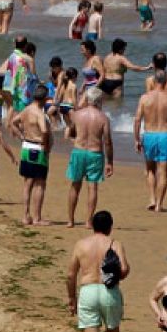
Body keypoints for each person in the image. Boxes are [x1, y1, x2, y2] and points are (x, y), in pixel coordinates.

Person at [66, 211, 128, 332]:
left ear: (93, 225)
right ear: (110, 226)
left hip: (88, 290)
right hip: (109, 291)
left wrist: (71, 298)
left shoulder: (81, 245)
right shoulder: (114, 243)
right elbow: (123, 269)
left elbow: (70, 275)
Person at [65, 85, 113, 227]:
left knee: (75, 185)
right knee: (92, 187)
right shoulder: (103, 118)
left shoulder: (77, 115)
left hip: (79, 151)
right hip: (95, 153)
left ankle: (70, 220)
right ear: (99, 101)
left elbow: (71, 132)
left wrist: (75, 139)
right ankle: (88, 221)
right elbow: (108, 142)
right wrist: (110, 162)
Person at [133, 70, 167, 212]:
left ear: (153, 82)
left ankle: (152, 199)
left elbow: (137, 120)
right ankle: (159, 204)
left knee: (150, 169)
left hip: (150, 135)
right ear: (166, 82)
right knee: (163, 172)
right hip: (166, 135)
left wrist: (136, 139)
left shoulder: (144, 98)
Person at [8, 85, 54, 226]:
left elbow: (13, 122)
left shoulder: (26, 110)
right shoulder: (39, 113)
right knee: (40, 184)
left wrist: (22, 136)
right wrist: (46, 146)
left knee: (27, 183)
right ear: (45, 99)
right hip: (37, 148)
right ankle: (37, 218)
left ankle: (25, 215)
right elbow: (45, 131)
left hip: (26, 147)